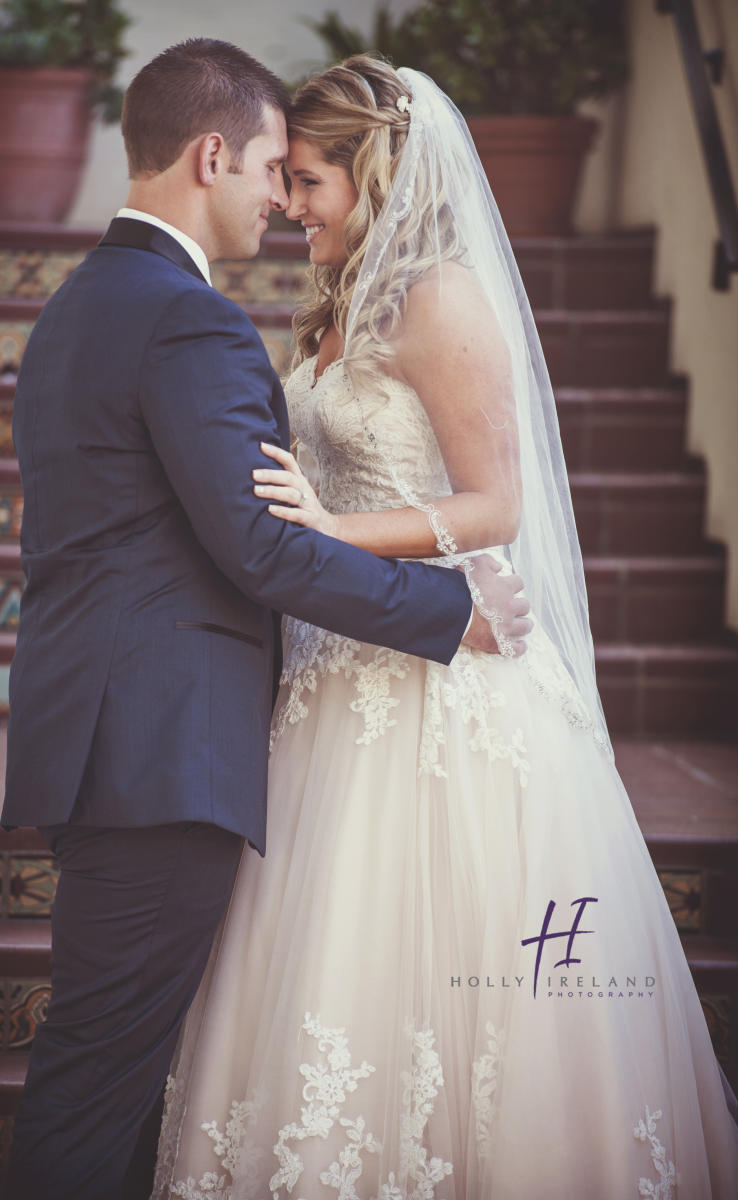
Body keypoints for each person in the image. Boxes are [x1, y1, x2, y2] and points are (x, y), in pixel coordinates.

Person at [150, 57, 738, 1200]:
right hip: (333, 686)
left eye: (308, 180)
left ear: (370, 174)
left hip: (443, 685)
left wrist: (331, 529)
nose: (288, 203)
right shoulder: (336, 298)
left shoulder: (443, 299)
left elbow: (496, 507)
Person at [0, 40, 529, 1200]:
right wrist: (452, 609)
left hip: (108, 742)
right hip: (157, 758)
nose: (278, 199)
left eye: (304, 178)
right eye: (271, 170)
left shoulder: (81, 304)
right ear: (211, 154)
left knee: (120, 1073)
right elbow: (258, 547)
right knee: (100, 1085)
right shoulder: (186, 321)